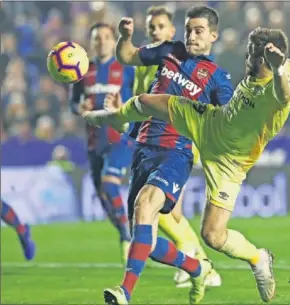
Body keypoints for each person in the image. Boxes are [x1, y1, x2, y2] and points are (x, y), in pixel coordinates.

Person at [83, 27, 290, 303]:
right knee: (148, 101)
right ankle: (113, 118)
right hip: (211, 123)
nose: (247, 58)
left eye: (251, 54)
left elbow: (284, 89)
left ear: (265, 60)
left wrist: (281, 71)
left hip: (230, 160)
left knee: (212, 236)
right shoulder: (273, 66)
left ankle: (258, 257)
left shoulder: (281, 89)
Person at [98, 5, 234, 305]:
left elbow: (229, 120)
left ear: (213, 35)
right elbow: (127, 56)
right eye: (189, 29)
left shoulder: (218, 78)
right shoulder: (170, 51)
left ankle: (124, 292)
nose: (192, 35)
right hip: (144, 147)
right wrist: (125, 36)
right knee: (142, 237)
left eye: (198, 31)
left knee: (146, 204)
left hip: (177, 152)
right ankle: (196, 268)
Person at [129, 5, 221, 289]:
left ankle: (200, 264)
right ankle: (194, 264)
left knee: (162, 212)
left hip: (176, 146)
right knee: (151, 220)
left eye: (160, 27)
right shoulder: (152, 66)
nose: (154, 32)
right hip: (148, 143)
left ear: (171, 33)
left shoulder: (180, 62)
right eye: (150, 28)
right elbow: (144, 102)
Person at [69, 23, 136, 264]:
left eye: (107, 37)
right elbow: (73, 103)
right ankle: (123, 232)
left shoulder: (126, 68)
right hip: (94, 142)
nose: (102, 42)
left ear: (112, 40)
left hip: (120, 138)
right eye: (97, 38)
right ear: (92, 42)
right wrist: (80, 108)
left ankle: (130, 234)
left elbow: (138, 96)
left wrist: (124, 107)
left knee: (110, 185)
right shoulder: (81, 70)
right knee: (103, 197)